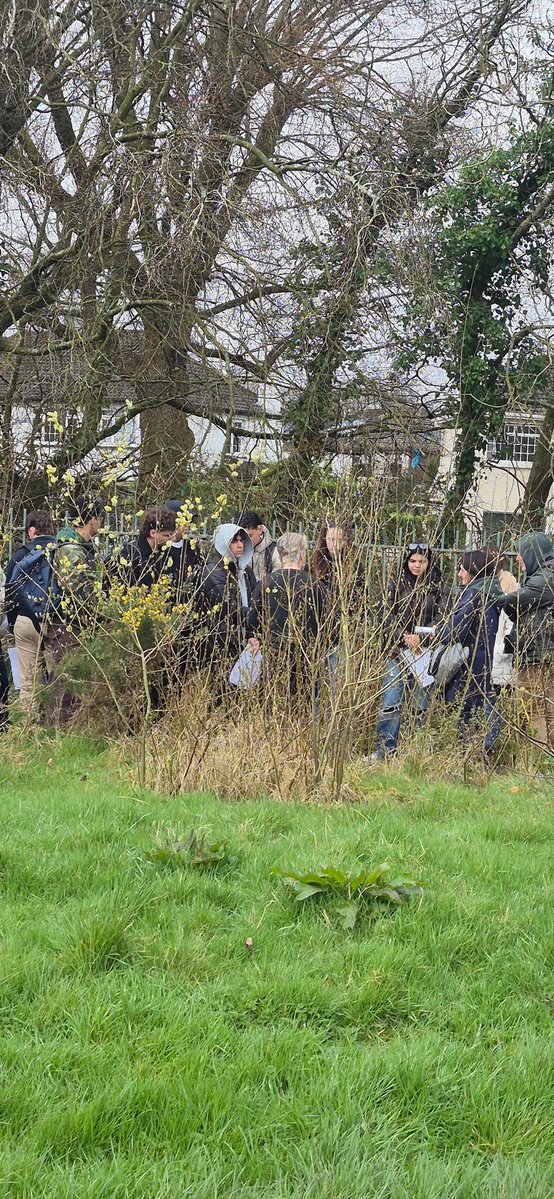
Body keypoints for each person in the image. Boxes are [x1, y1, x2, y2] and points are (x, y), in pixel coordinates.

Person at [373, 541, 443, 758]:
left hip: (423, 653)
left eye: (421, 561)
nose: (416, 565)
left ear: (429, 563)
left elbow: (442, 618)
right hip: (396, 651)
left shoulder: (438, 586)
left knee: (420, 703)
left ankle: (416, 751)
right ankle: (385, 750)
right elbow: (384, 615)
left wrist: (420, 638)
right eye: (412, 561)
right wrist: (403, 637)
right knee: (391, 701)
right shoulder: (396, 583)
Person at [43, 495, 105, 725]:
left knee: (72, 676)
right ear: (92, 520)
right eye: (99, 518)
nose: (101, 524)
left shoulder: (82, 548)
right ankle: (57, 727)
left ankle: (68, 724)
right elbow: (80, 592)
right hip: (68, 625)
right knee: (64, 676)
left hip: (76, 624)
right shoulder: (71, 549)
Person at [435, 550, 503, 744]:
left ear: (473, 570)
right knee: (482, 709)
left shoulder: (473, 595)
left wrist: (436, 632)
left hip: (469, 663)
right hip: (486, 661)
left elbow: (454, 632)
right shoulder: (492, 592)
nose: (459, 574)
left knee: (464, 711)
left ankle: (468, 756)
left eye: (462, 569)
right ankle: (481, 753)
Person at [246, 532, 323, 701]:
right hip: (307, 656)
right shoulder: (315, 585)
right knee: (304, 706)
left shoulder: (267, 582)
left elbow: (252, 621)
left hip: (274, 654)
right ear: (302, 555)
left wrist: (255, 637)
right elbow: (327, 622)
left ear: (279, 555)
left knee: (272, 704)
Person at [501, 531, 554, 750]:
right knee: (548, 707)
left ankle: (537, 755)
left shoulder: (545, 579)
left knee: (532, 707)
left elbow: (515, 602)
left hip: (538, 652)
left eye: (522, 553)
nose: (518, 559)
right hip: (543, 650)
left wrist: (498, 596)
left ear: (534, 553)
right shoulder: (544, 575)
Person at [4, 510, 57, 717]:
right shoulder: (60, 552)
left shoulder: (19, 555)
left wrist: (12, 622)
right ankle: (54, 723)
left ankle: (30, 724)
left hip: (25, 621)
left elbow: (10, 591)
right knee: (56, 678)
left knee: (28, 682)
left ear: (32, 531)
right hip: (55, 622)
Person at [194, 523, 254, 668]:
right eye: (234, 541)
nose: (240, 545)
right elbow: (229, 608)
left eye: (242, 540)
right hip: (221, 640)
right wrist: (256, 616)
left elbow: (254, 597)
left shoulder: (244, 570)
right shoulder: (214, 572)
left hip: (241, 636)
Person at [111, 507, 177, 592]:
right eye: (167, 535)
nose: (171, 539)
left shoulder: (164, 554)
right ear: (152, 533)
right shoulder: (130, 554)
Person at [163, 499, 203, 598]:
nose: (188, 525)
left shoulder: (192, 548)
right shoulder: (162, 549)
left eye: (189, 521)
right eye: (184, 521)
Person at [236, 511, 279, 583]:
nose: (246, 541)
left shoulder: (274, 552)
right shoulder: (236, 551)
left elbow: (278, 580)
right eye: (243, 537)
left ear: (260, 529)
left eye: (250, 536)